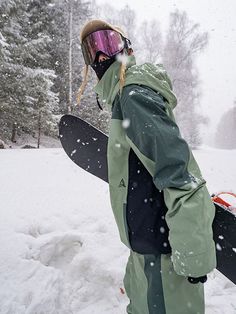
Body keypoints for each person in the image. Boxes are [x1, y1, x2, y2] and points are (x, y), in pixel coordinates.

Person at [78, 19, 216, 314]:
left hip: (162, 256)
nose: (101, 56)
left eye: (108, 43)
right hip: (143, 250)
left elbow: (178, 174)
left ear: (127, 47)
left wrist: (192, 253)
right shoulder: (124, 98)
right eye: (92, 50)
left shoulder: (133, 95)